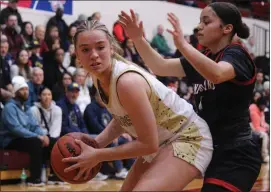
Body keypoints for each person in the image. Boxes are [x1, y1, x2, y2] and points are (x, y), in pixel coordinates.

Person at [118, 2, 262, 191]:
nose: (199, 26)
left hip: (236, 152)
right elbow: (159, 66)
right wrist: (138, 39)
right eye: (199, 21)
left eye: (206, 21)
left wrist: (184, 46)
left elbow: (217, 74)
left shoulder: (237, 54)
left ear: (227, 28)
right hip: (209, 148)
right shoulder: (201, 57)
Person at [62, 20, 213, 191]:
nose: (94, 55)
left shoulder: (126, 82)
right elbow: (123, 118)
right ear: (77, 55)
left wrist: (97, 155)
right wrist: (96, 144)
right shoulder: (98, 77)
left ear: (111, 48)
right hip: (161, 141)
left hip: (187, 136)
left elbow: (148, 144)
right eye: (85, 50)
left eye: (100, 47)